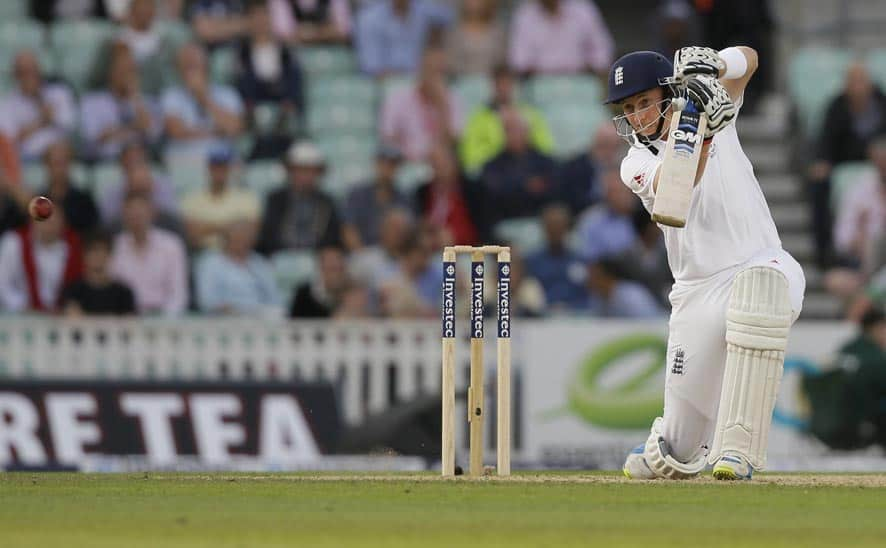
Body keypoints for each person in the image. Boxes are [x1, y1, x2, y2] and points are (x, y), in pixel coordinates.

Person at [610, 47, 806, 481]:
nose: (638, 115)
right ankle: (665, 448)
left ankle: (737, 451)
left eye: (644, 102)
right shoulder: (635, 163)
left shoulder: (715, 107)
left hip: (764, 261)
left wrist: (717, 65)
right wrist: (705, 131)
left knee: (761, 290)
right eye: (628, 108)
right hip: (697, 293)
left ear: (666, 94)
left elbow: (752, 60)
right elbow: (677, 191)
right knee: (679, 447)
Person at [807, 63, 886, 268]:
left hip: (880, 161)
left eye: (862, 82)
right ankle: (825, 250)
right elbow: (826, 141)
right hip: (842, 161)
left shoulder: (881, 103)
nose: (858, 87)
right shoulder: (837, 106)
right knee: (817, 183)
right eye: (853, 82)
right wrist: (823, 162)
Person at [804, 307, 886, 449]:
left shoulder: (847, 348)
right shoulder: (875, 357)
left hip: (823, 426)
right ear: (876, 328)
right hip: (858, 427)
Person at [459, 64, 554, 175]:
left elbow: (546, 149)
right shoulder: (478, 118)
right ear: (493, 85)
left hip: (526, 173)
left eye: (508, 83)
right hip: (494, 175)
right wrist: (504, 150)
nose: (504, 89)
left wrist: (523, 146)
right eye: (500, 84)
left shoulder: (531, 115)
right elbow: (471, 157)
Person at [160, 42, 245, 161]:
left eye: (194, 64)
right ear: (178, 69)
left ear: (206, 65)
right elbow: (176, 132)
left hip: (222, 160)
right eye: (186, 65)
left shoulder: (228, 94)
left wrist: (203, 98)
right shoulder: (170, 96)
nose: (190, 70)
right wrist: (217, 133)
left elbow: (234, 129)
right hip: (184, 159)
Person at [379, 46, 464, 161]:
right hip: (405, 161)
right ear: (420, 70)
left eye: (440, 72)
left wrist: (443, 108)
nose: (435, 77)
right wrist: (410, 151)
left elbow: (454, 143)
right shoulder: (398, 98)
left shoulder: (452, 100)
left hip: (439, 164)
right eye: (431, 70)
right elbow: (388, 136)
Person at [256, 140, 342, 254]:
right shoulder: (275, 199)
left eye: (311, 171)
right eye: (300, 170)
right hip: (280, 257)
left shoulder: (327, 201)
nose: (305, 176)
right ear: (290, 171)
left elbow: (332, 238)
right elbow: (269, 236)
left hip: (318, 259)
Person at [110, 191, 188, 315]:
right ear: (124, 215)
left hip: (164, 320)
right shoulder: (115, 246)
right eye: (132, 213)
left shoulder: (171, 245)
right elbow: (113, 289)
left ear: (152, 213)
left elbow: (178, 294)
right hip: (126, 319)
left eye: (140, 212)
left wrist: (164, 321)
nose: (136, 217)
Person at [80, 44, 162, 162]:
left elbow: (152, 133)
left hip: (140, 163)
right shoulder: (92, 101)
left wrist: (135, 96)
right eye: (122, 69)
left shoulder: (147, 102)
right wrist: (134, 127)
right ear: (110, 72)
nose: (126, 76)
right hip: (105, 162)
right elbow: (95, 139)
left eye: (131, 70)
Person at [479, 108, 557, 222]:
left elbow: (552, 190)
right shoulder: (492, 165)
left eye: (517, 129)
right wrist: (526, 186)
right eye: (508, 130)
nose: (513, 134)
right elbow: (494, 193)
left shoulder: (545, 161)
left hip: (539, 219)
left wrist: (513, 185)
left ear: (527, 131)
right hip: (506, 221)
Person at [0, 50, 76, 162]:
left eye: (33, 71)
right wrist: (42, 120)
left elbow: (71, 125)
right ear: (15, 75)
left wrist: (39, 98)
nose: (29, 77)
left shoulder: (59, 93)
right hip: (27, 159)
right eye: (24, 72)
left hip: (59, 155)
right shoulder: (7, 104)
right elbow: (9, 142)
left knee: (59, 154)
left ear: (40, 71)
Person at [0, 211, 83, 312]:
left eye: (54, 221)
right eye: (44, 219)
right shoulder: (14, 242)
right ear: (32, 220)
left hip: (62, 316)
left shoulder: (74, 246)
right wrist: (21, 306)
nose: (49, 225)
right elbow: (2, 283)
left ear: (63, 223)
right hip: (21, 314)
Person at [181, 145, 260, 250]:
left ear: (231, 168)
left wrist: (207, 227)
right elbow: (192, 234)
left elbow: (251, 234)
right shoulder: (191, 198)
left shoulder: (247, 198)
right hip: (202, 252)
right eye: (216, 166)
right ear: (209, 167)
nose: (219, 170)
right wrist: (232, 226)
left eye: (224, 166)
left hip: (237, 253)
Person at [196, 218, 282, 315]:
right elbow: (207, 301)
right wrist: (234, 309)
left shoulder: (260, 263)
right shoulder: (211, 263)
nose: (243, 241)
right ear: (227, 239)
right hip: (223, 318)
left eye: (247, 237)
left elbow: (274, 299)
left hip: (260, 318)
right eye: (239, 237)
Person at [508, 0, 614, 78]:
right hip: (539, 85)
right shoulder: (524, 15)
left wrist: (588, 68)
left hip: (581, 82)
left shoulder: (584, 9)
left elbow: (603, 53)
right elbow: (518, 62)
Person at [237, 1, 305, 121]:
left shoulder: (286, 51)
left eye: (264, 15)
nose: (260, 21)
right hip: (254, 108)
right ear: (249, 20)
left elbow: (294, 80)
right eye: (255, 16)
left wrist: (288, 104)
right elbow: (242, 86)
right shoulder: (242, 54)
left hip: (283, 104)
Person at [355, 0, 453, 77]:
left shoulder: (424, 10)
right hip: (384, 87)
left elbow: (449, 16)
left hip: (420, 85)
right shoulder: (369, 18)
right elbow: (372, 69)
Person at [341, 146, 410, 251]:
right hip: (364, 252)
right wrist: (361, 254)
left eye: (392, 164)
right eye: (383, 163)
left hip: (396, 255)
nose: (387, 169)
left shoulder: (403, 198)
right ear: (376, 164)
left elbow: (409, 232)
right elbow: (348, 229)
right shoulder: (358, 195)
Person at [98, 141, 178, 228]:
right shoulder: (112, 190)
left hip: (159, 229)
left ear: (146, 162)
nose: (133, 164)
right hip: (125, 232)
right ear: (122, 164)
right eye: (129, 161)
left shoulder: (162, 184)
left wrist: (149, 191)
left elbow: (172, 214)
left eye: (138, 160)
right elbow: (108, 221)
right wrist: (128, 194)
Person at [415, 144, 481, 245]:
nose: (438, 169)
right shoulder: (423, 192)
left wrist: (454, 238)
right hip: (430, 250)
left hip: (466, 249)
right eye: (434, 164)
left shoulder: (473, 190)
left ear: (454, 164)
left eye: (442, 164)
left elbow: (483, 228)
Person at [525, 204, 587, 311]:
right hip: (541, 317)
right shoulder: (531, 261)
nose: (555, 231)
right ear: (544, 228)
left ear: (567, 228)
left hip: (577, 316)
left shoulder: (580, 260)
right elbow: (529, 294)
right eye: (551, 226)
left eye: (559, 226)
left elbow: (586, 294)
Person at [61, 231, 136, 316]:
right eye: (94, 251)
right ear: (84, 255)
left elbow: (130, 322)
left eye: (103, 250)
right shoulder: (73, 292)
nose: (98, 255)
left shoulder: (124, 293)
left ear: (110, 255)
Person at [555, 123, 623, 215]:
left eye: (615, 147)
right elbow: (570, 200)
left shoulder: (623, 168)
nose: (609, 152)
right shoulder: (574, 168)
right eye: (604, 145)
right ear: (595, 143)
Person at [574, 169, 639, 263]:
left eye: (625, 191)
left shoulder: (640, 217)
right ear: (606, 194)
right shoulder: (591, 221)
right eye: (617, 192)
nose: (623, 197)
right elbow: (588, 257)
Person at [38, 141, 100, 235]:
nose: (60, 169)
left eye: (64, 163)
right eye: (56, 163)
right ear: (47, 165)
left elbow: (91, 235)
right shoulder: (39, 201)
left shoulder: (84, 201)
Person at [584, 258, 665, 318]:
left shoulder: (631, 296)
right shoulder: (598, 299)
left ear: (606, 277)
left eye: (593, 276)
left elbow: (650, 323)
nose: (589, 280)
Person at [445, 0, 505, 76]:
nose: (473, 2)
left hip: (491, 83)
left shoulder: (498, 31)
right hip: (461, 82)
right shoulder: (455, 31)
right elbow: (451, 62)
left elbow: (501, 62)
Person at [289, 245, 352, 317]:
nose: (334, 274)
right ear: (320, 267)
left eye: (337, 269)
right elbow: (293, 321)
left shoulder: (354, 294)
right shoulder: (303, 294)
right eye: (330, 269)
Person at [270, 0, 352, 45]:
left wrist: (308, 33)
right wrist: (325, 31)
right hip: (297, 58)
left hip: (333, 54)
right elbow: (284, 36)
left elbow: (343, 31)